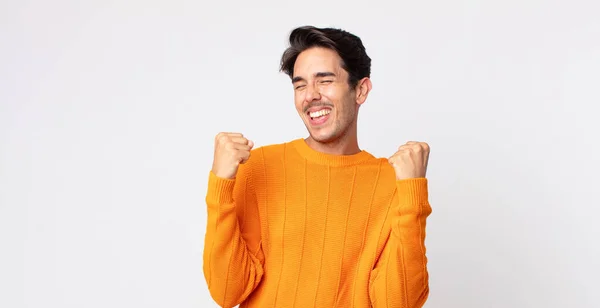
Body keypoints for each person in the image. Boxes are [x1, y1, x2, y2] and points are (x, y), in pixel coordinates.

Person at [203, 25, 432, 308]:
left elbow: (398, 303)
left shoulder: (395, 182)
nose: (310, 95)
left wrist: (413, 196)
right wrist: (220, 186)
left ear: (360, 90)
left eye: (324, 81)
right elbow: (227, 291)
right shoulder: (257, 168)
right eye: (300, 85)